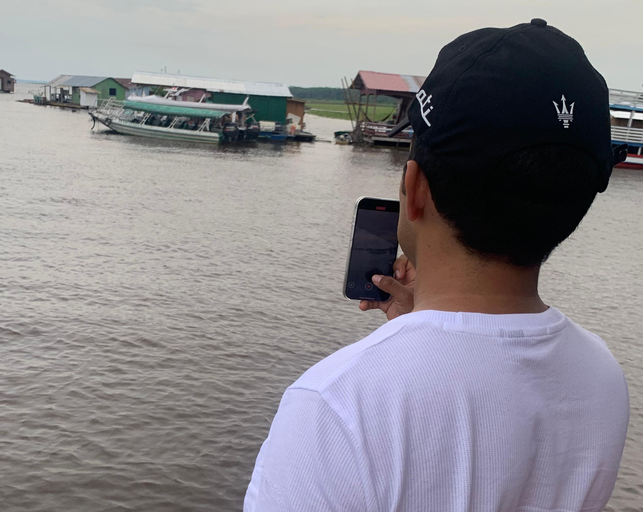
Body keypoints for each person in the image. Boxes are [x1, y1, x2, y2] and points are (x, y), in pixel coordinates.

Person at [244, 20, 630, 512]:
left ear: (415, 188)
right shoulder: (601, 375)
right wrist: (424, 335)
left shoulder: (337, 406)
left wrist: (417, 348)